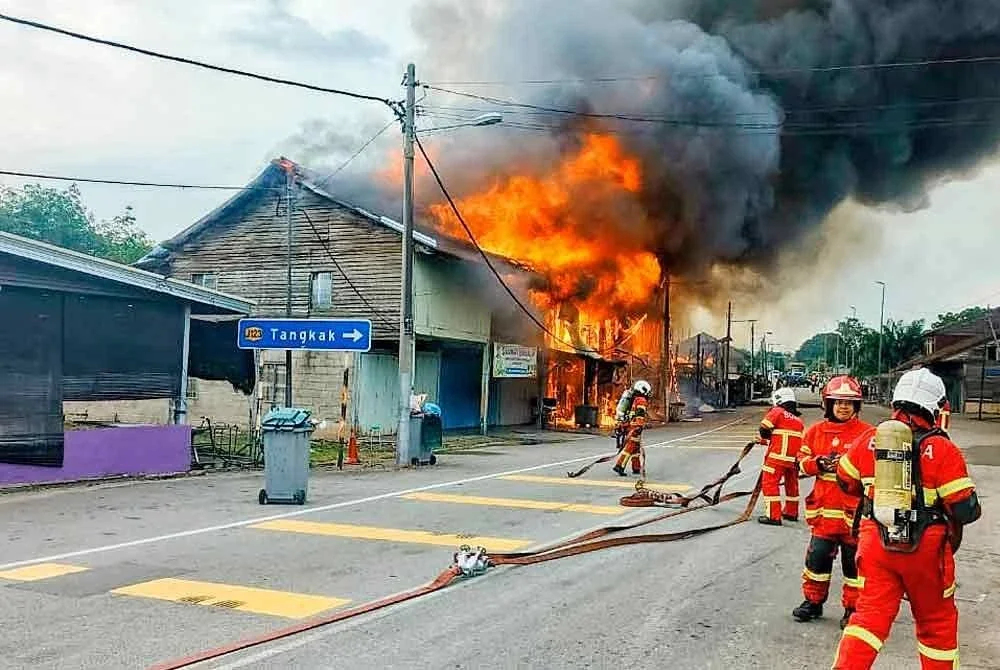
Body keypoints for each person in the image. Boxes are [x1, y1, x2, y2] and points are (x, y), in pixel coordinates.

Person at [832, 368, 982, 670]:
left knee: (868, 619)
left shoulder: (869, 439)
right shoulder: (942, 449)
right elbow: (965, 510)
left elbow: (845, 481)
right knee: (936, 625)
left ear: (896, 402)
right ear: (935, 408)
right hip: (926, 551)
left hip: (877, 543)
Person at [792, 376, 873, 628]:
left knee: (854, 567)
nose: (843, 407)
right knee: (817, 560)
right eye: (837, 402)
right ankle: (813, 602)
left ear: (857, 406)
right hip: (824, 515)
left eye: (849, 403)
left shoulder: (867, 434)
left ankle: (853, 609)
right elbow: (800, 463)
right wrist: (817, 464)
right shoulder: (815, 432)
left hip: (854, 517)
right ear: (828, 404)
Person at [757, 387, 804, 525]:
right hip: (793, 460)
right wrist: (766, 441)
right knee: (792, 486)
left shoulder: (777, 411)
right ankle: (791, 512)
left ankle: (773, 516)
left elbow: (764, 428)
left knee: (769, 484)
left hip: (776, 459)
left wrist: (764, 437)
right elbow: (784, 439)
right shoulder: (797, 420)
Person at [612, 391, 649, 477]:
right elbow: (640, 414)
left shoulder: (635, 399)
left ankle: (636, 467)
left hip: (631, 425)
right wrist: (639, 425)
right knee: (631, 446)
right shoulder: (641, 400)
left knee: (635, 448)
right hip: (635, 427)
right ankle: (619, 465)